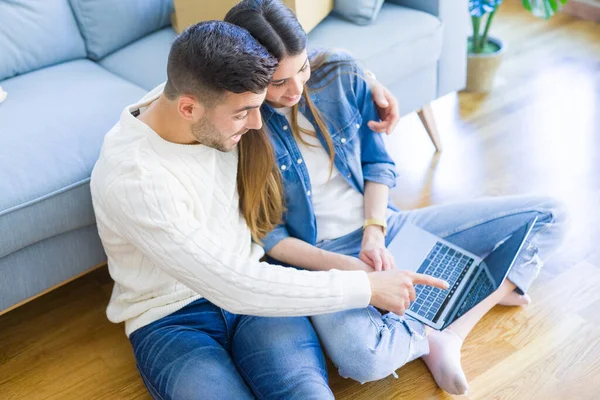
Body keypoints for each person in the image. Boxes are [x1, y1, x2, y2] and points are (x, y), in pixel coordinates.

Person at [225, 0, 568, 395]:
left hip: (386, 225)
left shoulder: (338, 73)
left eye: (301, 68)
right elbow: (268, 234)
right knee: (364, 358)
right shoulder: (239, 126)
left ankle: (448, 332)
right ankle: (465, 296)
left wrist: (374, 231)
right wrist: (350, 269)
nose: (296, 90)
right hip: (322, 260)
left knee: (550, 214)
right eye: (278, 82)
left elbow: (377, 163)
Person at [90, 20, 445, 400]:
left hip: (256, 291)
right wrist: (365, 287)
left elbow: (273, 38)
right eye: (245, 113)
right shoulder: (136, 180)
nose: (259, 124)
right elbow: (231, 284)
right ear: (189, 108)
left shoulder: (202, 94)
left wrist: (367, 80)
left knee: (306, 394)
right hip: (173, 318)